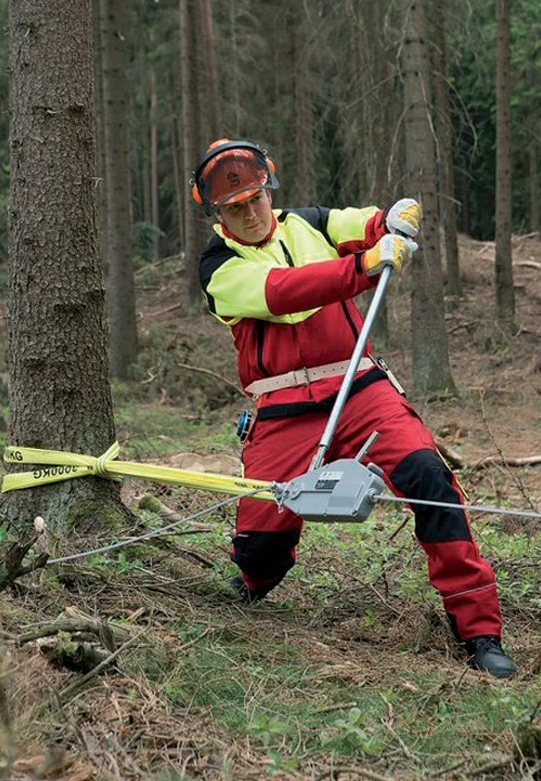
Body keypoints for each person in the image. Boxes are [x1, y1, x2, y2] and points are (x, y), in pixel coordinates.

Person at [192, 138, 516, 679]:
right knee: (259, 546)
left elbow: (364, 223)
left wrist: (392, 218)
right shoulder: (218, 267)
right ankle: (250, 582)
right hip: (283, 409)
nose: (249, 213)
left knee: (427, 475)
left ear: (269, 190)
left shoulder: (310, 223)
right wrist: (365, 266)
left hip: (361, 388)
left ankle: (480, 631)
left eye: (255, 199)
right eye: (234, 207)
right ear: (217, 213)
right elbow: (284, 293)